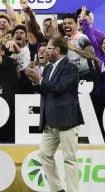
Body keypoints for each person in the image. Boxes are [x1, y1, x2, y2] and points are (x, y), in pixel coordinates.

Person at [25, 36, 80, 192]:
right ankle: (57, 189)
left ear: (57, 50)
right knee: (44, 154)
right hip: (50, 121)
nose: (45, 51)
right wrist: (34, 80)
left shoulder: (70, 67)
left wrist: (40, 79)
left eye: (48, 48)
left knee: (69, 158)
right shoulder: (48, 68)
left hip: (67, 121)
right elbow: (44, 89)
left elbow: (59, 88)